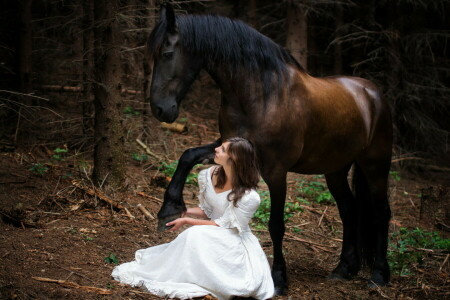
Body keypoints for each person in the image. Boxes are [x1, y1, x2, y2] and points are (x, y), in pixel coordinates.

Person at [112, 137, 275, 300]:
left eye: (223, 149)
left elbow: (225, 225)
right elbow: (208, 210)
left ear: (235, 159)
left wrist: (187, 221)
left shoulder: (249, 197)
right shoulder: (210, 174)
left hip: (232, 238)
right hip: (213, 231)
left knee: (195, 233)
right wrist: (185, 211)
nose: (216, 149)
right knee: (196, 234)